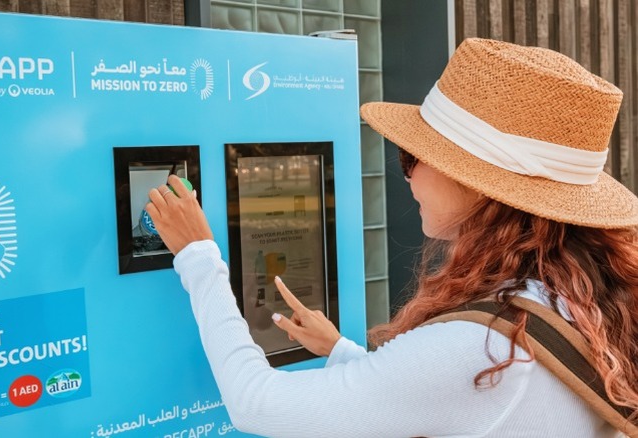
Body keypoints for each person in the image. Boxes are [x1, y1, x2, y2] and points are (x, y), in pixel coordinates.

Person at [146, 38, 638, 437]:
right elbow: (473, 403)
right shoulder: (572, 299)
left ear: (476, 183)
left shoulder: (481, 344)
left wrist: (197, 255)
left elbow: (256, 404)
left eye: (412, 158)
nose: (406, 176)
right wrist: (343, 353)